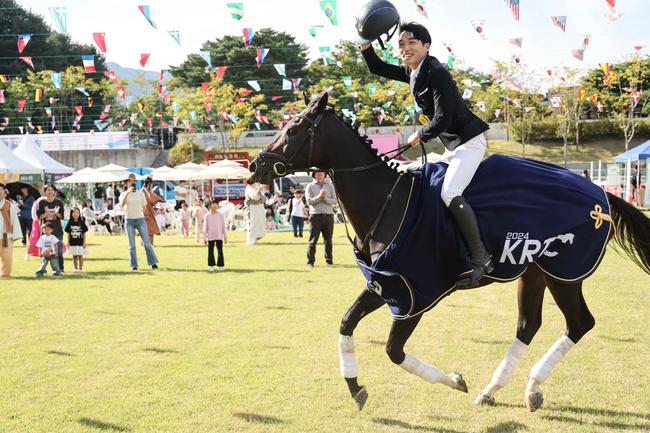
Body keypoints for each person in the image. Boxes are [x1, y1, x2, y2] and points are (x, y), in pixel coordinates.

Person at [360, 21, 492, 287]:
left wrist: (420, 133)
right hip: (453, 146)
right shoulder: (414, 71)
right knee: (414, 174)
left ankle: (482, 258)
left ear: (427, 46)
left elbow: (444, 118)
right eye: (401, 44)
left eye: (412, 43)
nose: (405, 48)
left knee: (449, 192)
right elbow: (377, 67)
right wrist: (364, 41)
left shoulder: (436, 72)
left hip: (470, 142)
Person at [119, 173, 159, 271]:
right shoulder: (123, 194)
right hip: (129, 221)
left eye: (133, 181)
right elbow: (121, 205)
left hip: (140, 219)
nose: (132, 183)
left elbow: (144, 206)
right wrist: (128, 192)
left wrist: (141, 214)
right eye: (130, 181)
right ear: (127, 182)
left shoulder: (140, 193)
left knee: (147, 243)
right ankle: (134, 265)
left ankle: (153, 263)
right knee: (131, 245)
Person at [305, 171, 337, 268]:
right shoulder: (310, 186)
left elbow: (335, 201)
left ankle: (329, 261)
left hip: (328, 216)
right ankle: (310, 262)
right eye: (317, 173)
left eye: (321, 173)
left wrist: (326, 199)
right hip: (315, 217)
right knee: (313, 240)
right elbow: (309, 201)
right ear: (314, 175)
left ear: (324, 174)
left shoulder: (330, 186)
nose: (319, 175)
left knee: (328, 240)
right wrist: (320, 197)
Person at [37, 184, 65, 272]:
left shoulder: (59, 202)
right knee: (44, 250)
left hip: (57, 230)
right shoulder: (41, 202)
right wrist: (47, 213)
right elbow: (39, 217)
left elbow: (62, 216)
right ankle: (42, 269)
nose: (50, 191)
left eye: (51, 190)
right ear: (45, 192)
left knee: (58, 250)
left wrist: (56, 213)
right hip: (45, 231)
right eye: (48, 190)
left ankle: (60, 268)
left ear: (54, 192)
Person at [0, 183, 22, 278]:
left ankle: (5, 274)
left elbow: (14, 220)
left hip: (5, 235)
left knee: (6, 255)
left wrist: (16, 234)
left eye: (1, 189)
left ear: (5, 193)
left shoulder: (10, 205)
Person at [203, 199, 227, 272]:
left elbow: (223, 226)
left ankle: (221, 265)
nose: (214, 205)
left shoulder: (221, 215)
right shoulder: (207, 215)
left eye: (216, 204)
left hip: (219, 236)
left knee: (220, 251)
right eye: (213, 204)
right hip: (210, 237)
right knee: (210, 251)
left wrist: (225, 236)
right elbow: (205, 227)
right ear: (210, 206)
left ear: (218, 206)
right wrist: (205, 238)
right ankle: (211, 265)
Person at [64, 207, 88, 273]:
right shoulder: (70, 222)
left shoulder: (81, 222)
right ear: (71, 214)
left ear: (79, 213)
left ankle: (80, 269)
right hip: (72, 242)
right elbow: (68, 233)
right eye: (73, 212)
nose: (75, 214)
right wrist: (68, 242)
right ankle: (75, 269)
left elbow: (84, 233)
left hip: (80, 242)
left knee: (80, 256)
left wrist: (84, 242)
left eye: (77, 212)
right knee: (74, 256)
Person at [244, 178, 266, 246]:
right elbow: (255, 197)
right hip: (252, 208)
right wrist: (259, 191)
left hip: (258, 208)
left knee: (259, 223)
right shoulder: (249, 188)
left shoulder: (256, 187)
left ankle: (255, 238)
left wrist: (260, 192)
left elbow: (263, 198)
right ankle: (250, 240)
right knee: (252, 224)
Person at [142, 177, 163, 245]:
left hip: (149, 212)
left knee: (151, 228)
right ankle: (146, 242)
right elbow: (151, 200)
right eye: (151, 184)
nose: (152, 186)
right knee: (148, 228)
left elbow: (153, 198)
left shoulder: (147, 191)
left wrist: (160, 200)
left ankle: (149, 242)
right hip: (145, 212)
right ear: (149, 184)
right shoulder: (142, 191)